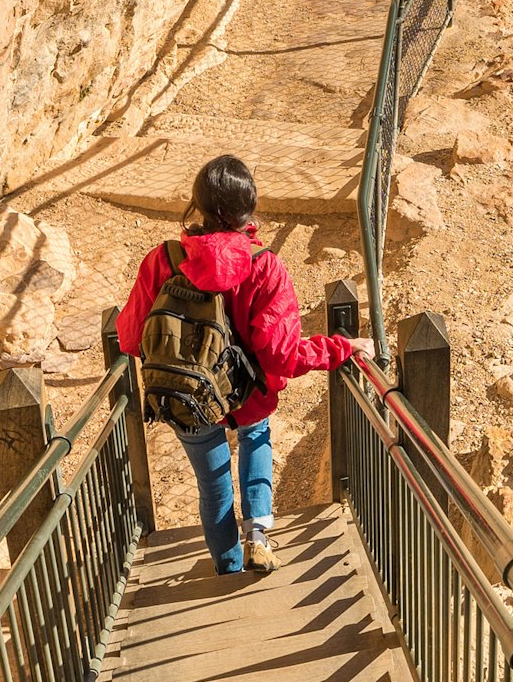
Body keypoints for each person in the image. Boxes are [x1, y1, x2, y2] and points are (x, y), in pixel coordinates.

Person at [112, 155, 357, 578]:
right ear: (250, 210)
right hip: (249, 394)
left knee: (213, 488)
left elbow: (132, 338)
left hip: (188, 397)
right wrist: (340, 349)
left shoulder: (163, 260)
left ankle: (227, 568)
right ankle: (258, 537)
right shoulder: (265, 266)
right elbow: (280, 354)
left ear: (197, 205)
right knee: (256, 435)